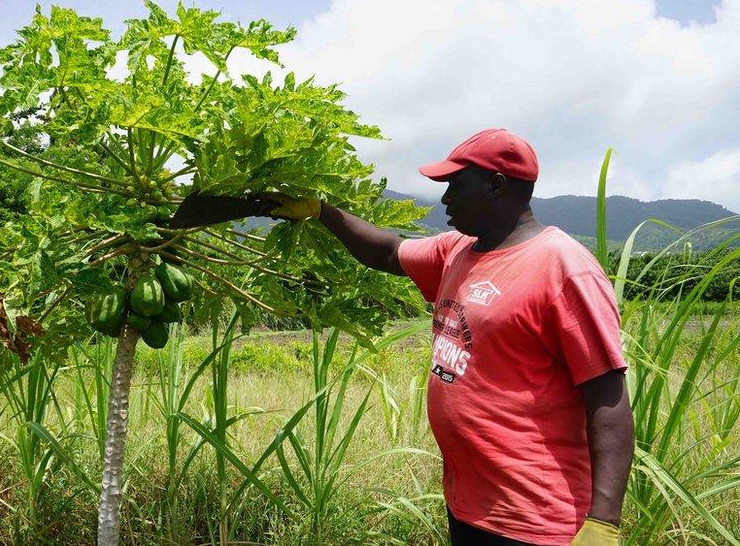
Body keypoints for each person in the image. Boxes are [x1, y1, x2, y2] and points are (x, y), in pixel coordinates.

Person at [266, 128, 633, 545]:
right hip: (470, 503)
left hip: (535, 516)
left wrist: (604, 520)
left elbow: (607, 394)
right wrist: (321, 211)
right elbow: (386, 251)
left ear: (496, 185)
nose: (444, 201)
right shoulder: (457, 250)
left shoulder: (563, 267)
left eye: (455, 187)